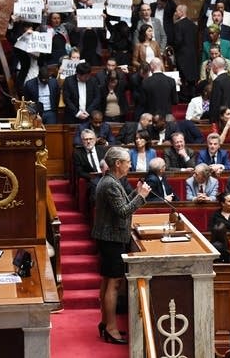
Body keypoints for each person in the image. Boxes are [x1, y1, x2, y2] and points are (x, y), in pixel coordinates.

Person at [91, 147, 151, 344]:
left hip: (110, 238)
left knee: (108, 280)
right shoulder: (110, 184)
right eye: (127, 161)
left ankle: (105, 322)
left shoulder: (112, 182)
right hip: (112, 239)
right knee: (114, 283)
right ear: (118, 163)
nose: (130, 164)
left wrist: (136, 191)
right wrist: (140, 196)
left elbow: (121, 203)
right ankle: (110, 327)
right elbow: (123, 211)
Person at [208, 57, 230, 124]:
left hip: (221, 120)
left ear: (215, 66)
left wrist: (212, 120)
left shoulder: (217, 81)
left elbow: (215, 103)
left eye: (212, 66)